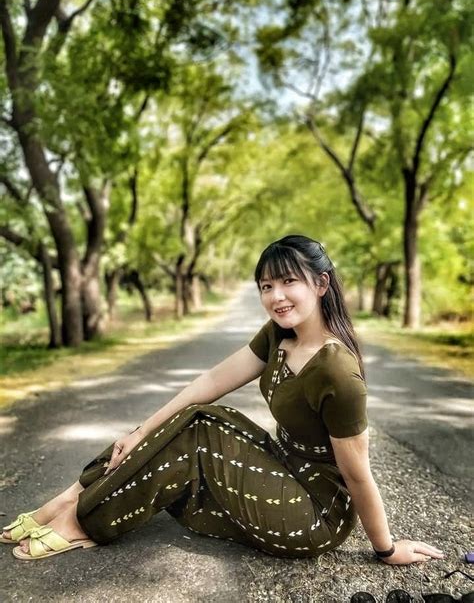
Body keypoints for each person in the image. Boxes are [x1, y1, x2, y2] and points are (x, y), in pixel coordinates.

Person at [2, 235, 445, 564]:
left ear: (321, 284)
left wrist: (386, 549)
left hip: (314, 512)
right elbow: (212, 380)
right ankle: (71, 497)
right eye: (266, 285)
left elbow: (358, 475)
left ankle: (85, 521)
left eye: (289, 281)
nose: (276, 296)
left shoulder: (337, 372)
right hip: (281, 468)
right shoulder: (279, 336)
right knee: (196, 417)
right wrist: (139, 431)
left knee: (200, 432)